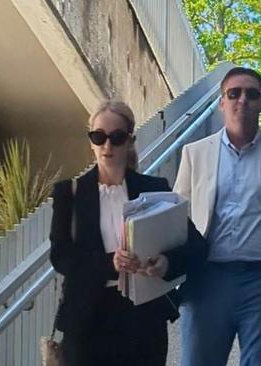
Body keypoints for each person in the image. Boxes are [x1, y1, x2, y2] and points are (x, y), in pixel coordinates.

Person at [49, 100, 207, 366]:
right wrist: (109, 262)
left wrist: (166, 262)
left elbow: (196, 246)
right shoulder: (70, 193)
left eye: (117, 137)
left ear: (130, 140)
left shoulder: (155, 189)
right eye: (98, 137)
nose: (107, 146)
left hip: (143, 318)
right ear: (91, 141)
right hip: (87, 318)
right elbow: (61, 255)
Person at [174, 67, 261, 365]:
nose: (242, 100)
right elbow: (178, 216)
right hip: (206, 278)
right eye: (234, 93)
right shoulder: (194, 153)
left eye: (252, 94)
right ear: (221, 102)